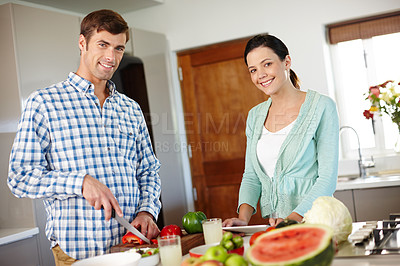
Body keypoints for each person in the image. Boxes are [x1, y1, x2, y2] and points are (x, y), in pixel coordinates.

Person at [7, 9, 161, 264]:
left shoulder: (130, 108)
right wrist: (80, 182)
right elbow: (19, 177)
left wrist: (147, 211)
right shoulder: (44, 103)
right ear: (82, 43)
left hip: (133, 248)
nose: (111, 57)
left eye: (119, 48)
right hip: (77, 253)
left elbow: (148, 170)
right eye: (103, 44)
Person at [222, 34, 339, 228]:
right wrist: (243, 219)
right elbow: (251, 176)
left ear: (286, 62)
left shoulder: (322, 107)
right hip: (277, 226)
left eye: (267, 64)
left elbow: (327, 179)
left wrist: (292, 219)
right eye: (253, 70)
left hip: (318, 223)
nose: (260, 75)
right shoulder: (255, 116)